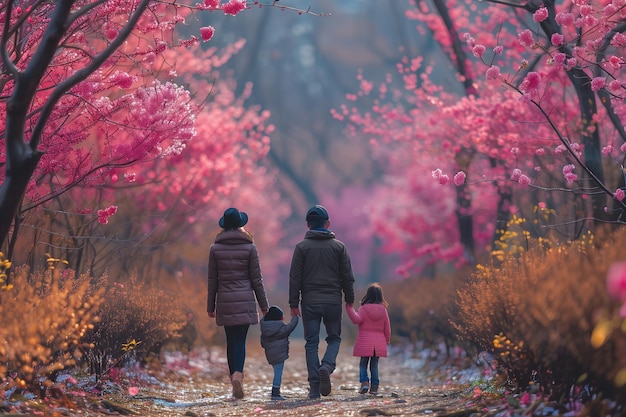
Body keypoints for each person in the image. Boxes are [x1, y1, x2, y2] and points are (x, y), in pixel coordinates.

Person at [289, 204, 355, 399]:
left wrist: (293, 303)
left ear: (307, 225)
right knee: (334, 338)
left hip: (309, 302)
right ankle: (326, 366)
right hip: (333, 301)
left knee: (311, 343)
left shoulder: (301, 248)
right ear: (328, 223)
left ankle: (314, 387)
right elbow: (347, 276)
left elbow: (295, 277)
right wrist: (349, 299)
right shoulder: (339, 247)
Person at [207, 207, 269, 400]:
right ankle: (238, 375)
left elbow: (212, 281)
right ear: (241, 224)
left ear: (224, 226)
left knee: (230, 340)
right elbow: (256, 279)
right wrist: (264, 306)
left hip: (225, 300)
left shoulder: (215, 249)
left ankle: (233, 375)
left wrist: (211, 307)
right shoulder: (250, 247)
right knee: (240, 340)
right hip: (244, 301)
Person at [345, 283, 391, 396]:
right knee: (374, 366)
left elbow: (356, 320)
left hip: (365, 342)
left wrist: (349, 308)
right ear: (381, 296)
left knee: (363, 364)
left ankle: (364, 383)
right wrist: (387, 341)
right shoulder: (384, 310)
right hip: (379, 343)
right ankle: (374, 387)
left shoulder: (363, 308)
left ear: (368, 295)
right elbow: (387, 328)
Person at [260, 305, 299, 401]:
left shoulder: (265, 329)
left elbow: (262, 343)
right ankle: (275, 392)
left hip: (270, 355)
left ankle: (276, 392)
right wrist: (295, 317)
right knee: (278, 373)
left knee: (276, 371)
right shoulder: (281, 329)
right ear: (280, 318)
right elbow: (291, 326)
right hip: (279, 355)